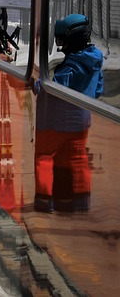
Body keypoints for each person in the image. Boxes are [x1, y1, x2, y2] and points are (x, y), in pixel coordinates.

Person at [34, 13, 104, 212]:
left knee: (45, 158)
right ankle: (80, 200)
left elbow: (53, 87)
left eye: (62, 41)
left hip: (53, 122)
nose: (61, 45)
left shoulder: (71, 66)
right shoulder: (95, 61)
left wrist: (37, 85)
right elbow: (98, 90)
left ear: (71, 40)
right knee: (77, 158)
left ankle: (44, 200)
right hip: (81, 122)